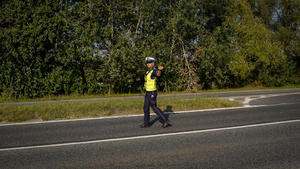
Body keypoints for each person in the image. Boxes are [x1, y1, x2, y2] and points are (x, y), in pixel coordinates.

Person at [139, 57, 170, 128]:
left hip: (152, 92)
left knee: (153, 106)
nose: (148, 64)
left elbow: (158, 74)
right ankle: (146, 123)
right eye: (147, 63)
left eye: (149, 63)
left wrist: (159, 70)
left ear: (153, 63)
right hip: (147, 92)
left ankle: (165, 120)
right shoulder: (148, 72)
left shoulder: (154, 71)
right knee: (146, 107)